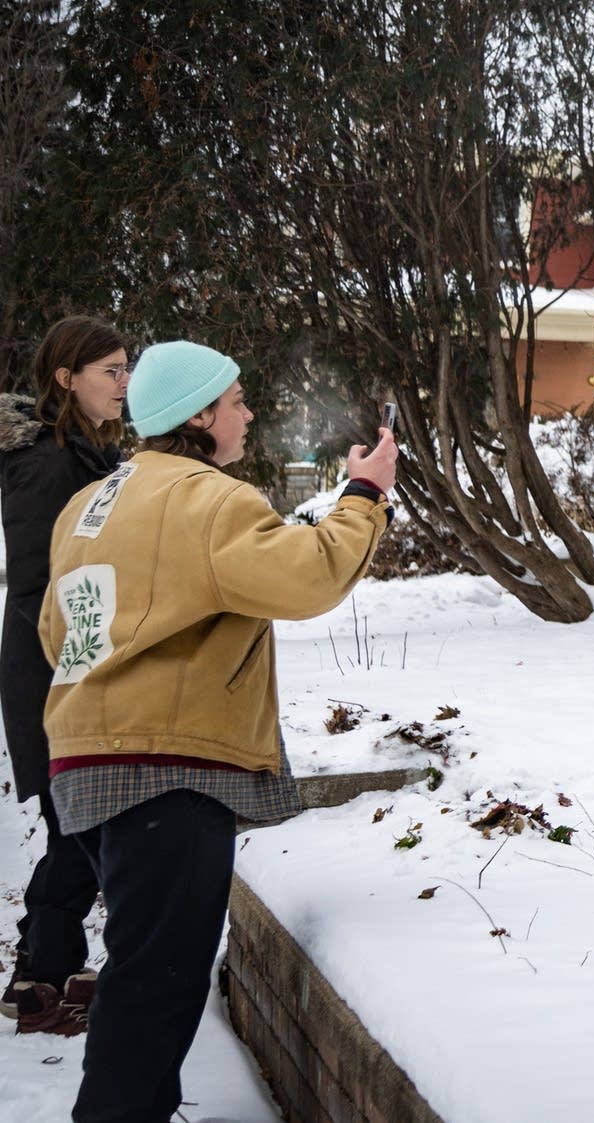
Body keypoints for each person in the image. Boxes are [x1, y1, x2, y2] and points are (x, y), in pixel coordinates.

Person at [39, 340, 395, 1121]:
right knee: (154, 983)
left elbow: (54, 630)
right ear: (198, 415)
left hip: (84, 763)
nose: (249, 413)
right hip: (167, 772)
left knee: (145, 968)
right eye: (236, 401)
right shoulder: (208, 500)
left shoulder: (92, 504)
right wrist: (365, 494)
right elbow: (307, 575)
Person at [0, 316, 128, 1036]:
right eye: (109, 370)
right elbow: (35, 587)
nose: (123, 382)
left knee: (76, 826)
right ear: (64, 378)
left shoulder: (89, 454)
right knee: (82, 827)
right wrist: (91, 655)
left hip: (75, 670)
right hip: (53, 675)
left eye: (126, 368)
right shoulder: (48, 463)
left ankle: (41, 973)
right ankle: (44, 973)